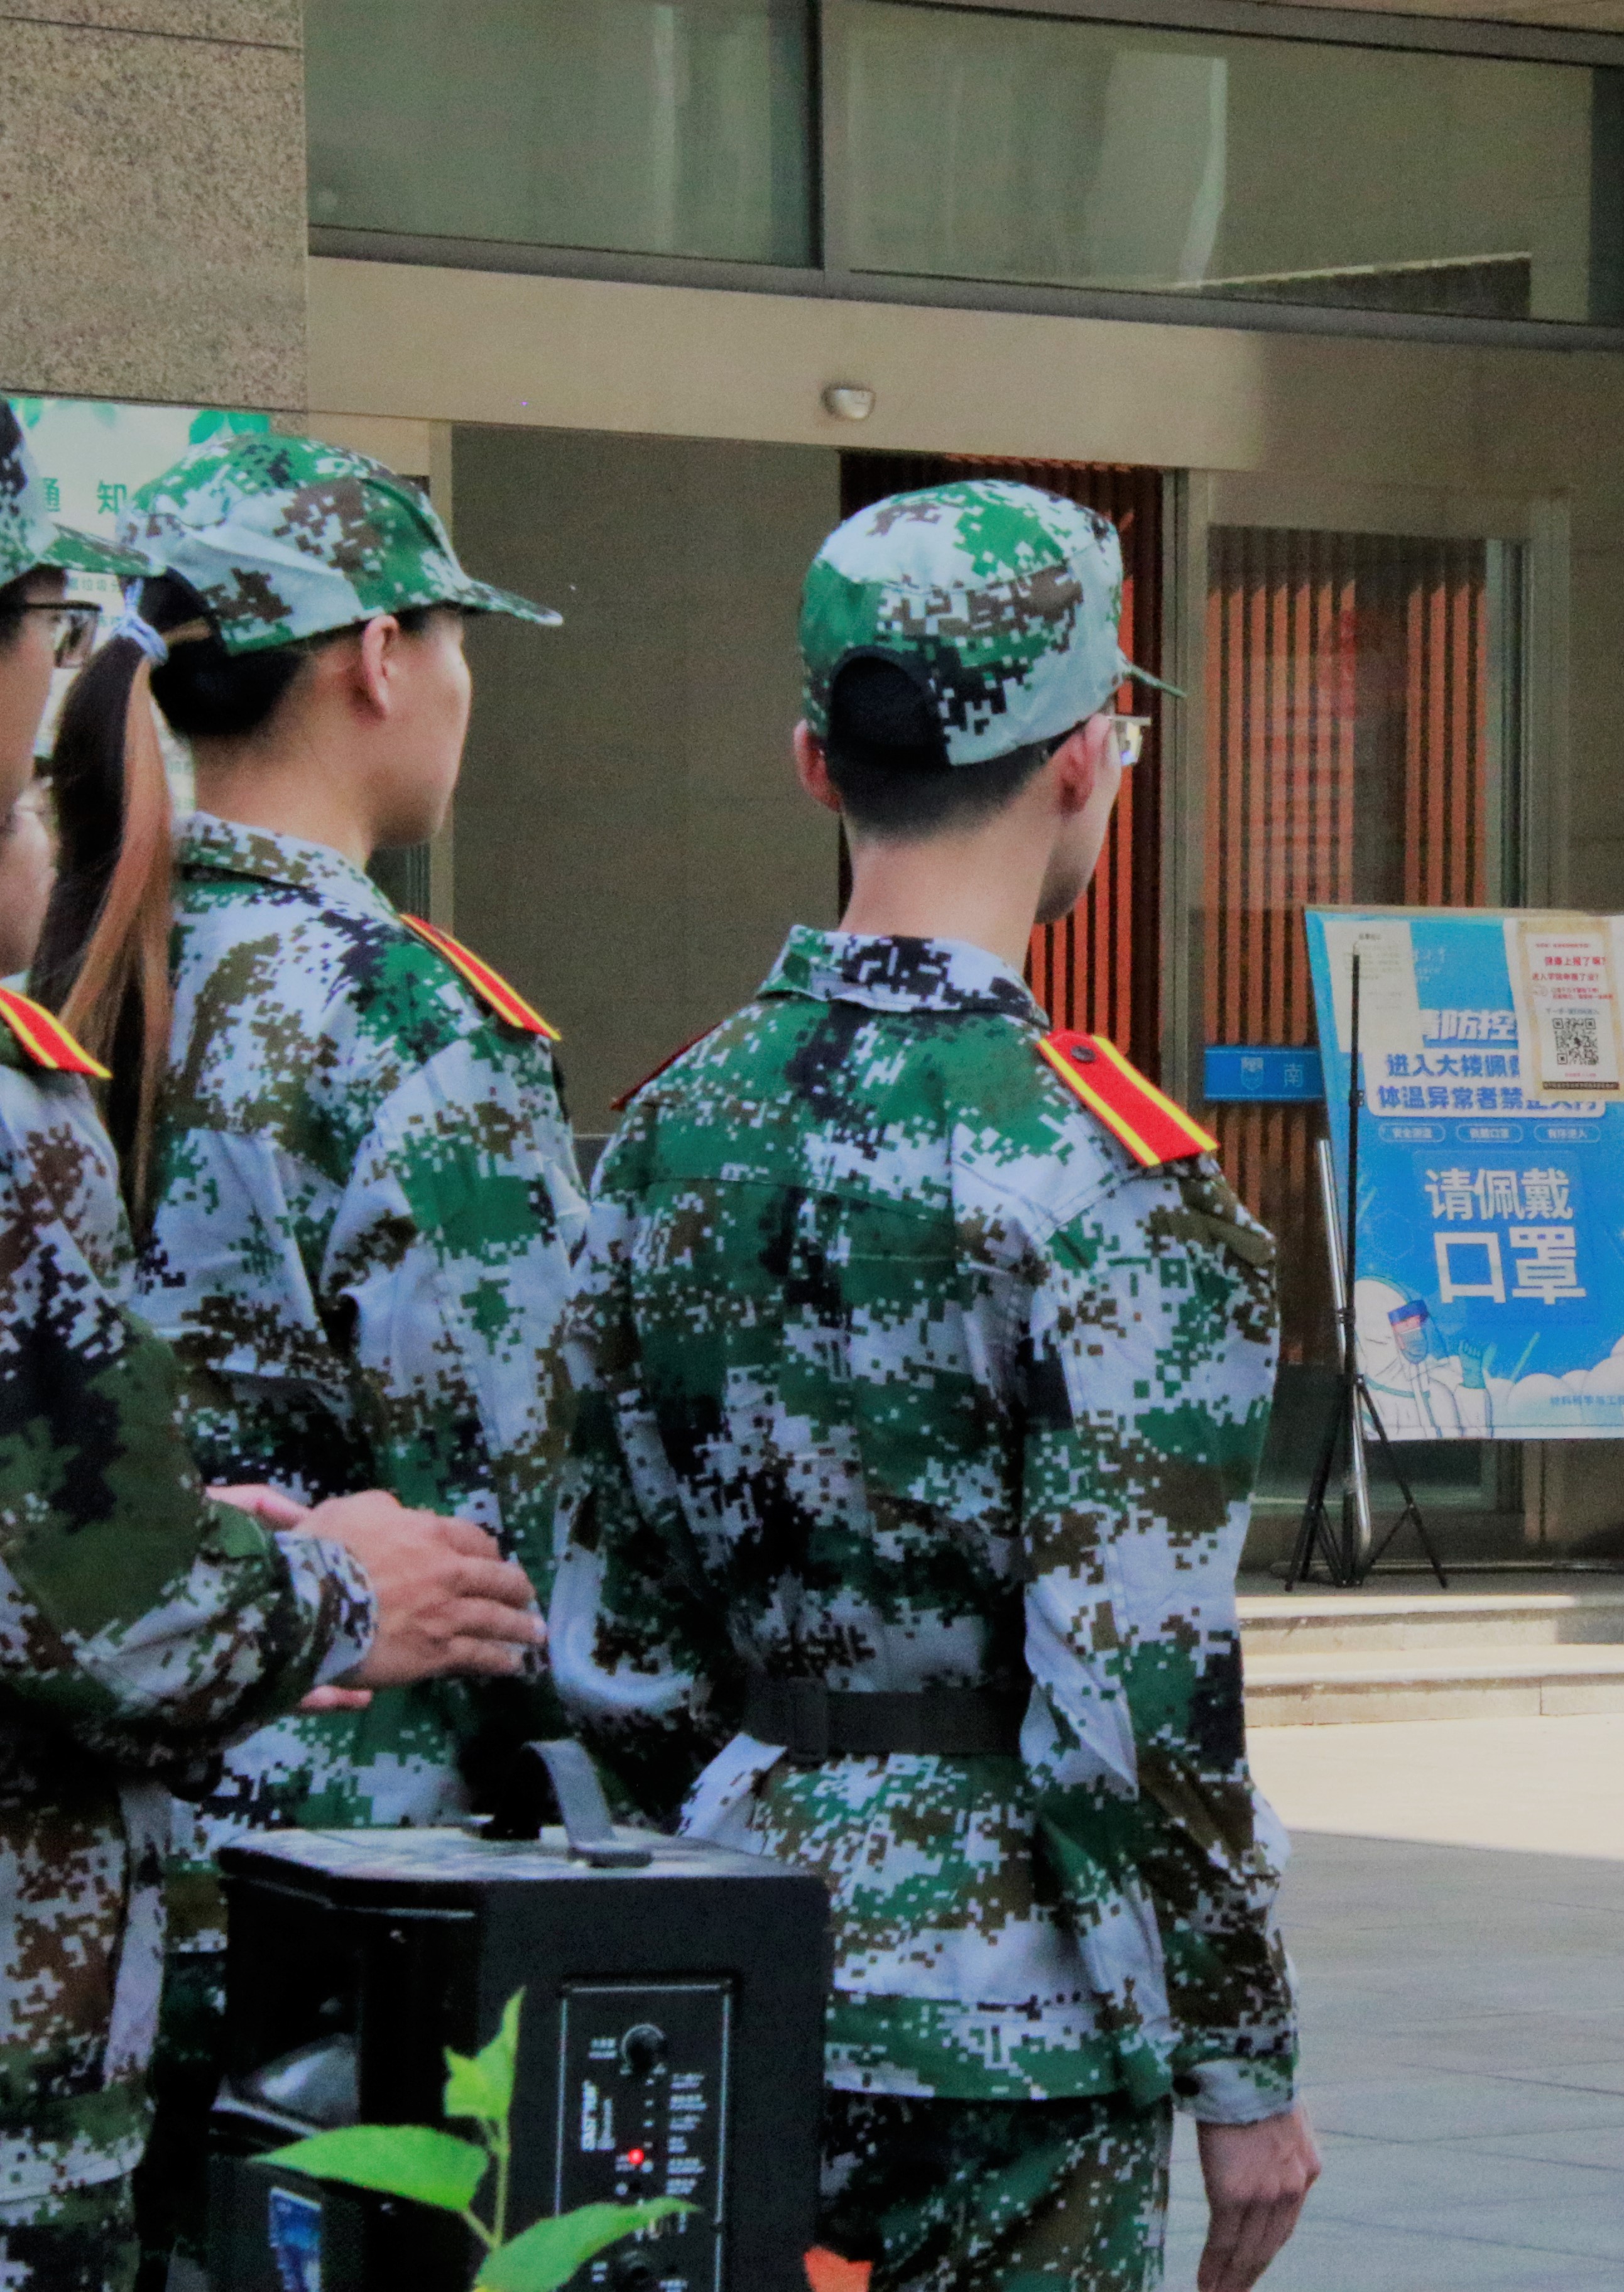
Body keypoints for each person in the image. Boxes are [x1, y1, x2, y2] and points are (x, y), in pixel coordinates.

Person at [553, 480, 1317, 2292]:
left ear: (814, 765)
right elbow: (1140, 1687)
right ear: (1087, 761)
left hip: (724, 1940)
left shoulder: (670, 1129)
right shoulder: (1107, 1176)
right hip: (1011, 2016)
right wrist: (1239, 2057)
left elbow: (608, 1608)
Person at [0, 412, 545, 2289]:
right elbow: (509, 1515)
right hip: (352, 1882)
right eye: (454, 638)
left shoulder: (74, 958)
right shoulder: (410, 1025)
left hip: (98, 1894)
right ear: (381, 658)